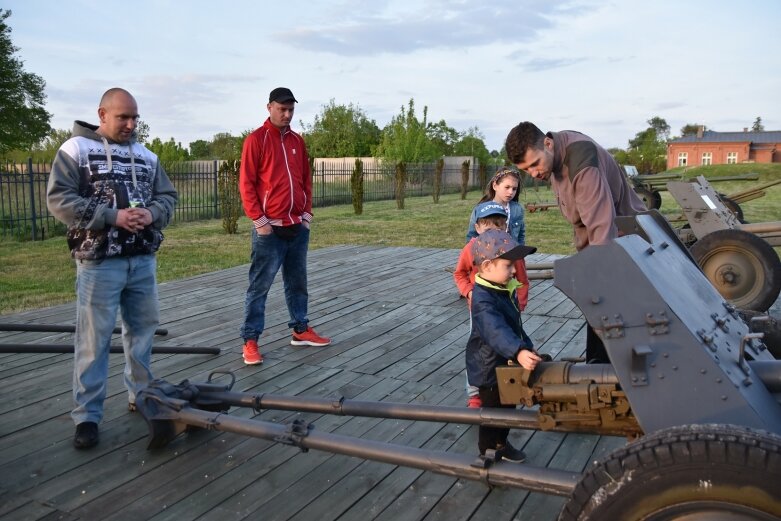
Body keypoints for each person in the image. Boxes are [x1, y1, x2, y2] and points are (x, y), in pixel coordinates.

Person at [46, 87, 178, 449]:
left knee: (142, 333)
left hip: (142, 259)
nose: (131, 124)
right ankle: (87, 416)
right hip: (99, 262)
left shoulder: (147, 156)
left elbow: (168, 197)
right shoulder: (75, 150)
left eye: (135, 117)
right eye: (123, 117)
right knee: (93, 341)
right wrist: (112, 216)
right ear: (102, 114)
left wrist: (152, 213)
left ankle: (142, 396)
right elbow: (59, 199)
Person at [505, 121, 646, 362]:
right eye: (527, 170)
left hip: (625, 248)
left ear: (547, 144)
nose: (534, 174)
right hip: (608, 249)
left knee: (610, 321)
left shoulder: (581, 163)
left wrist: (598, 286)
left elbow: (602, 230)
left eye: (535, 164)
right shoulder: (554, 159)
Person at [239, 87, 330, 366]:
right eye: (282, 109)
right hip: (270, 230)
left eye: (291, 110)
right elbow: (247, 184)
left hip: (296, 228)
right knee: (259, 286)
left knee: (297, 283)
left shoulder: (297, 141)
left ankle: (300, 330)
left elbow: (305, 179)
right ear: (269, 108)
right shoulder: (256, 140)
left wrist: (307, 214)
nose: (287, 114)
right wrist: (260, 221)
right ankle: (250, 340)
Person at [466, 228, 539, 462]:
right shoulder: (482, 298)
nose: (513, 270)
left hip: (504, 362)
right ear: (487, 266)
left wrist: (526, 346)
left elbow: (513, 325)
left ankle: (501, 442)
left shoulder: (502, 289)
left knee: (508, 406)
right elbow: (495, 330)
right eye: (508, 266)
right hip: (489, 369)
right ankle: (487, 450)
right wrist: (518, 350)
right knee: (492, 413)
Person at [454, 201, 531, 408]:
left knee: (504, 340)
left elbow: (522, 279)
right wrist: (469, 293)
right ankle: (476, 393)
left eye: (500, 226)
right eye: (488, 228)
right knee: (481, 348)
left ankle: (508, 377)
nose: (494, 233)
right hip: (481, 306)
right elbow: (459, 273)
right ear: (477, 228)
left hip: (506, 303)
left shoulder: (510, 250)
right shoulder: (473, 249)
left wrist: (520, 302)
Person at [466, 167, 525, 245]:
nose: (511, 192)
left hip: (512, 254)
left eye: (514, 189)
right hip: (486, 254)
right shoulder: (481, 209)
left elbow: (521, 235)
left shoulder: (517, 209)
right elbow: (471, 237)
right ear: (495, 186)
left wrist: (520, 253)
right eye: (507, 187)